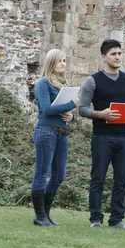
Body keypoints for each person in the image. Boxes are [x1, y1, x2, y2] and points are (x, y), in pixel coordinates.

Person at [79, 39, 125, 229]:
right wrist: (100, 114)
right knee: (98, 178)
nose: (117, 57)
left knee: (122, 180)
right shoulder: (93, 80)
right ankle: (95, 219)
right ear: (104, 56)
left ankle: (117, 219)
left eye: (120, 53)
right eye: (113, 54)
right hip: (102, 137)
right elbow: (81, 109)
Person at [31, 49, 77, 227]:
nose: (64, 63)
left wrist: (71, 116)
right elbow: (47, 109)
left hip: (61, 133)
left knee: (59, 175)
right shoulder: (43, 83)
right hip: (46, 132)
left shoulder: (61, 85)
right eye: (60, 61)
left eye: (65, 60)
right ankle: (40, 216)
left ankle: (46, 215)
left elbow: (62, 110)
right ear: (51, 63)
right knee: (42, 174)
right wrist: (72, 103)